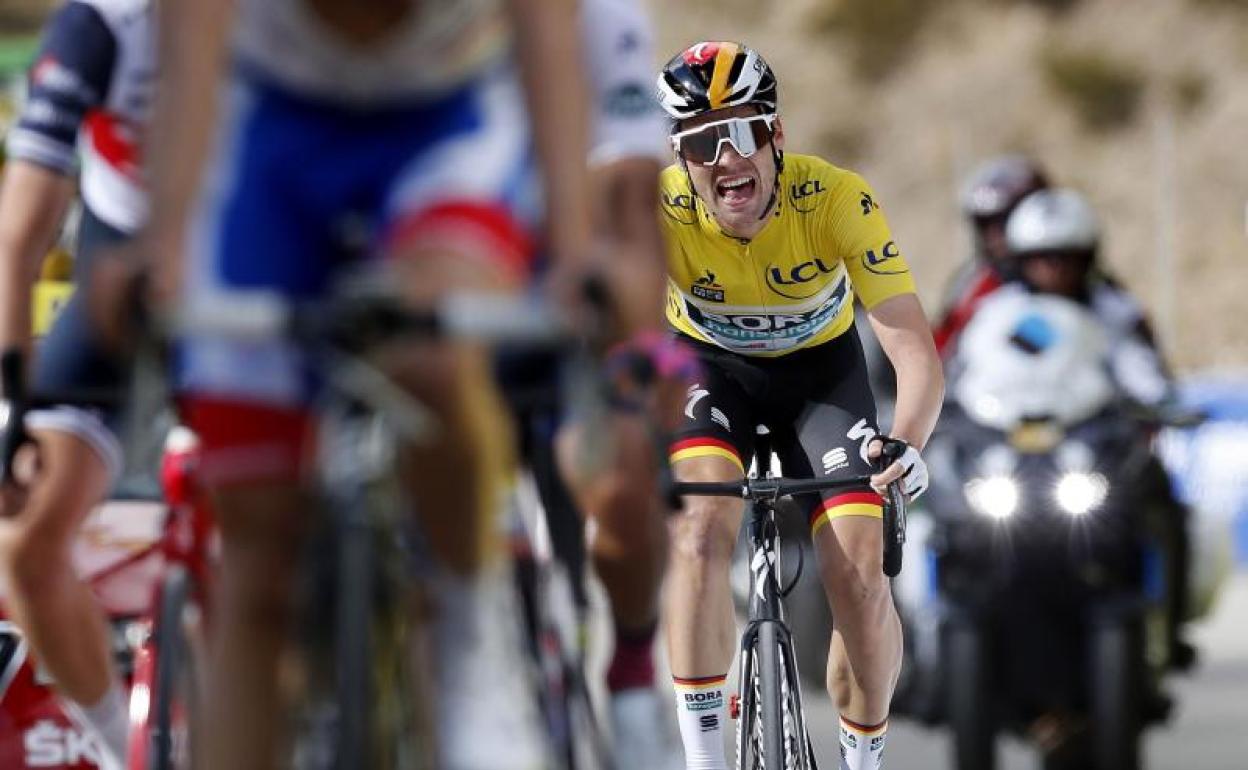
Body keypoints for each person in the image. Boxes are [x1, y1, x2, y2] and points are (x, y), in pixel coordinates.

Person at [97, 0, 618, 767]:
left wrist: (575, 250)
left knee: (431, 360)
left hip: (446, 123)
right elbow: (191, 44)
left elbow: (547, 28)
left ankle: (470, 640)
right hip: (273, 134)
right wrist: (161, 244)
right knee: (256, 566)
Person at [654, 41, 944, 770]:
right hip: (710, 372)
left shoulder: (836, 198)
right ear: (681, 157)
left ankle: (862, 759)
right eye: (700, 143)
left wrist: (908, 442)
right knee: (698, 531)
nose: (725, 158)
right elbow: (617, 334)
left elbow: (913, 350)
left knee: (860, 573)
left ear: (776, 134)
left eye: (743, 132)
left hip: (821, 381)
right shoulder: (660, 210)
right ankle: (704, 763)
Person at [0, 1, 154, 766]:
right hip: (122, 273)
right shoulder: (104, 23)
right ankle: (125, 754)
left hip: (256, 257)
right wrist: (12, 406)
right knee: (28, 539)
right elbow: (19, 236)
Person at [1000, 187, 1194, 663]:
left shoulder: (1114, 311)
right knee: (940, 518)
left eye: (1065, 256)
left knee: (1163, 504)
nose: (1053, 268)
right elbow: (968, 371)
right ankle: (924, 642)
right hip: (1010, 451)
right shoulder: (1000, 312)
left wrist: (1161, 402)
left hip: (1091, 446)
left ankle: (1168, 630)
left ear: (1087, 257)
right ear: (1021, 261)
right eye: (1040, 257)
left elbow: (1143, 370)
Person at [932, 155, 1049, 357]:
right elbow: (942, 350)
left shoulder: (1070, 280)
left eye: (1003, 221)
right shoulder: (972, 286)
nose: (994, 238)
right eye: (985, 225)